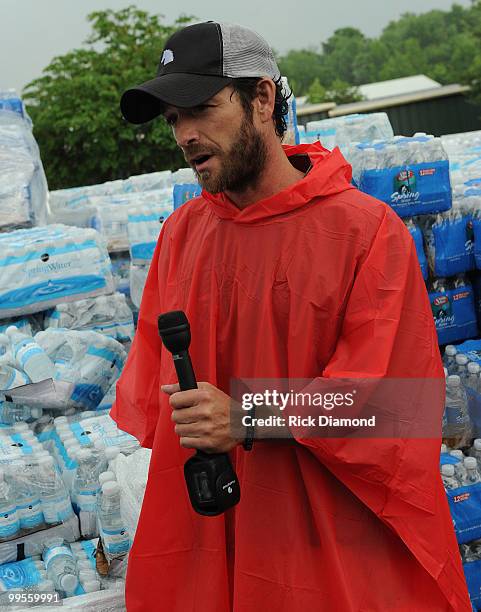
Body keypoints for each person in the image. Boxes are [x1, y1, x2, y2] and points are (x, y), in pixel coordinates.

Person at [113, 21, 471, 611]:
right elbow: (157, 408)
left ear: (261, 98)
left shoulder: (365, 232)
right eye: (174, 118)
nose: (186, 133)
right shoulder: (181, 237)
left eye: (202, 107)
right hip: (217, 539)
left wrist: (248, 413)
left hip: (331, 552)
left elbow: (395, 404)